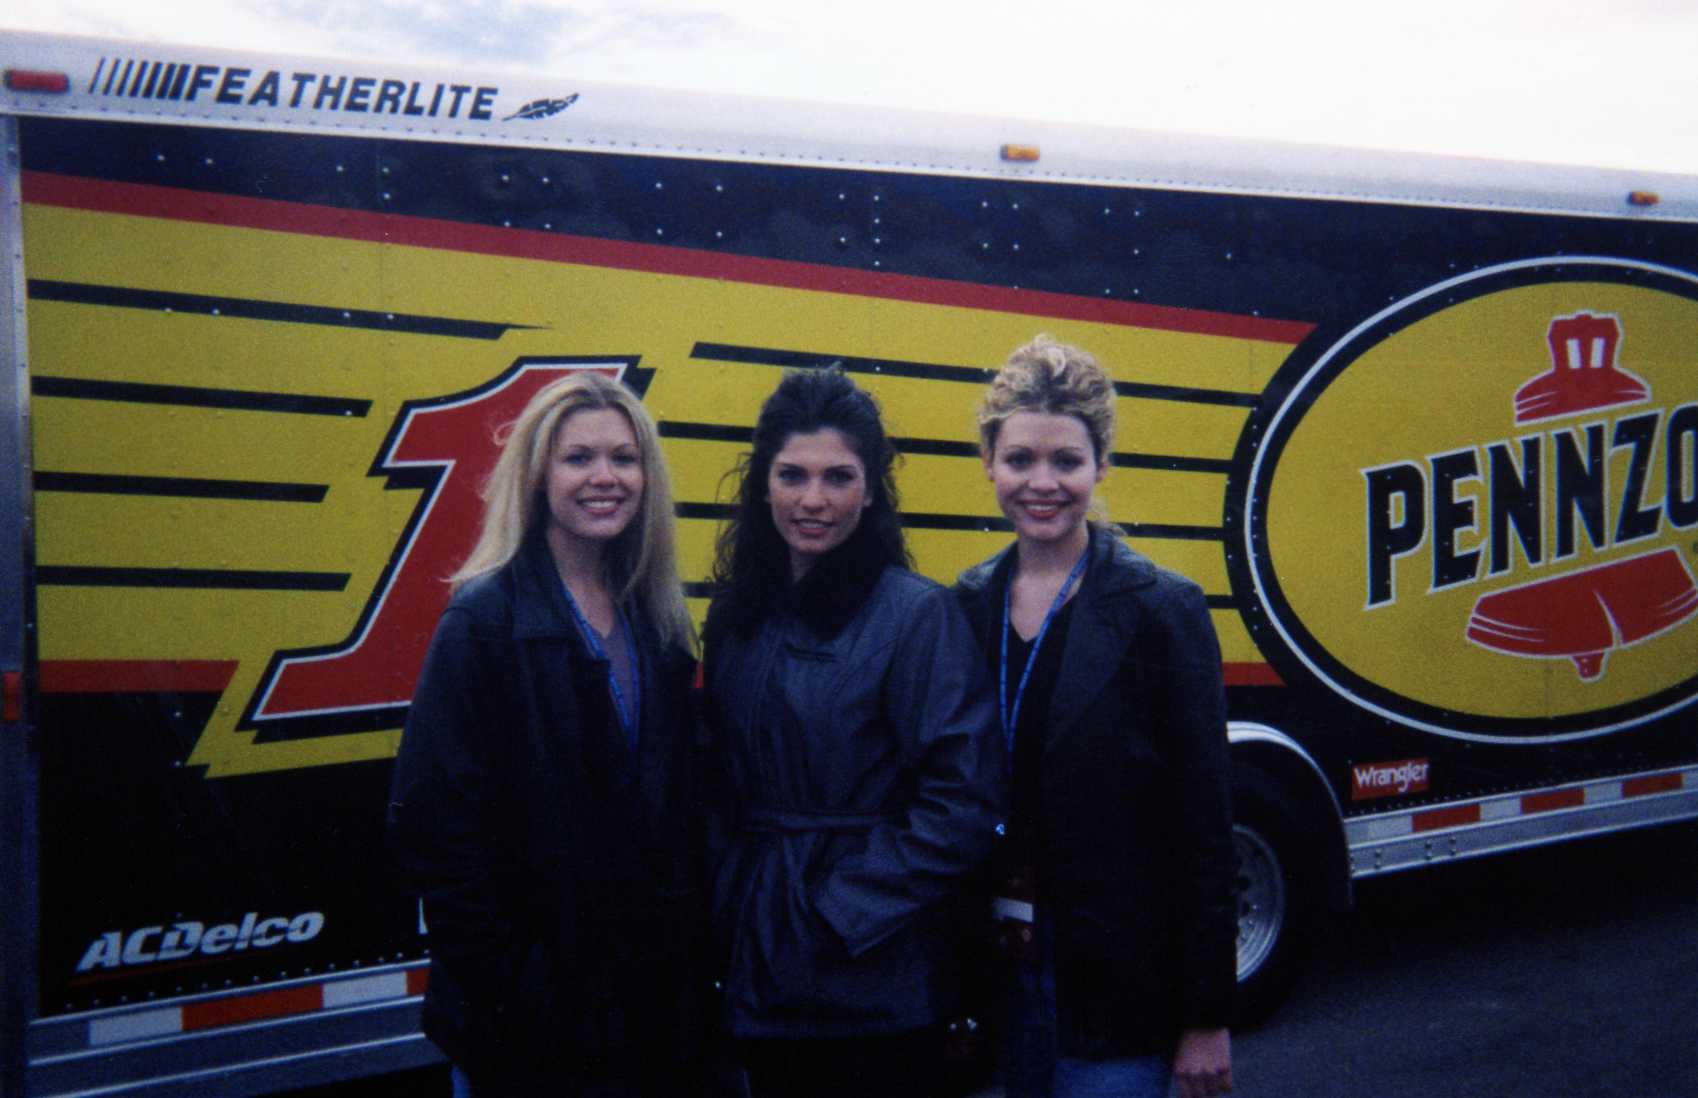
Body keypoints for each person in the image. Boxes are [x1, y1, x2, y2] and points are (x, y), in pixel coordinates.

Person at [387, 371, 705, 1097]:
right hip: (524, 1036)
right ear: (537, 476)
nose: (605, 478)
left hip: (637, 1020)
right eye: (578, 458)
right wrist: (516, 988)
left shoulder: (653, 622)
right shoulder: (485, 621)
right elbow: (432, 828)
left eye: (624, 459)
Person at [701, 367, 1006, 1098]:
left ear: (871, 491)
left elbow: (964, 801)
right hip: (761, 963)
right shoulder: (737, 618)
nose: (813, 500)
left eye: (839, 477)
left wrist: (836, 913)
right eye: (792, 475)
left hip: (877, 975)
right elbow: (714, 779)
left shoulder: (917, 616)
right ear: (762, 483)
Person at [953, 336, 1237, 1098]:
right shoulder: (965, 604)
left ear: (1100, 466)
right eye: (1019, 460)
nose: (1041, 484)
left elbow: (1206, 829)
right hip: (999, 974)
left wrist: (1206, 1015)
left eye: (1066, 462)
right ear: (988, 463)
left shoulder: (1161, 610)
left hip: (1117, 984)